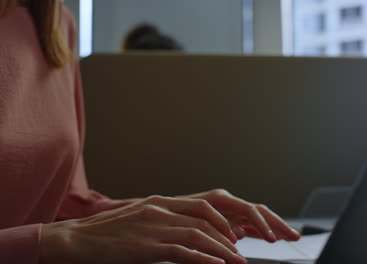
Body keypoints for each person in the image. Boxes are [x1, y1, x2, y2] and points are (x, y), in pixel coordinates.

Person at [0, 1, 301, 264]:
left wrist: (167, 214)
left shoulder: (54, 23)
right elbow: (58, 235)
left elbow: (64, 206)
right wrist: (51, 242)